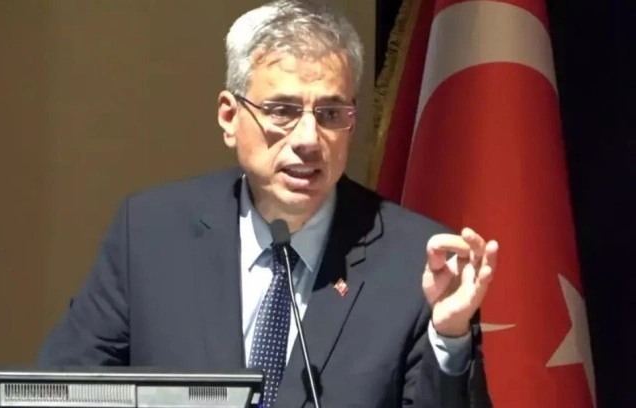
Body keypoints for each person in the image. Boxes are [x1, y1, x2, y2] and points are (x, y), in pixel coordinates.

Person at [37, 1, 498, 407]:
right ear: (230, 116)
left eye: (331, 114)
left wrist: (449, 337)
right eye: (282, 111)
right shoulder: (150, 234)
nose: (308, 140)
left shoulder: (415, 263)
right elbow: (61, 392)